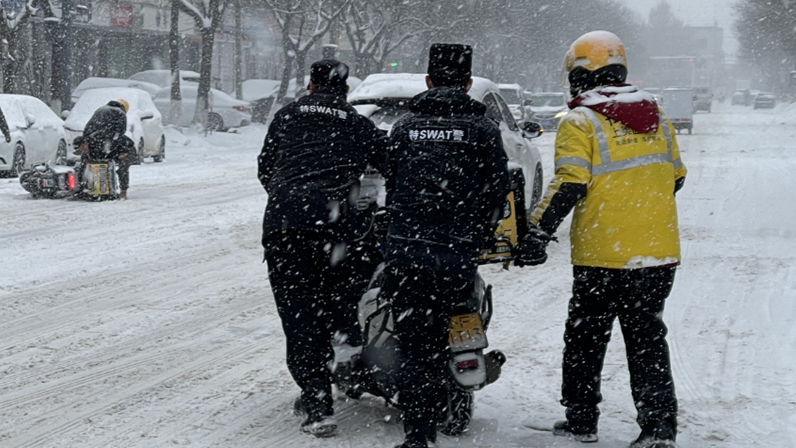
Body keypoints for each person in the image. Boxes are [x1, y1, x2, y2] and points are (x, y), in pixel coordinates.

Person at [516, 31, 687, 448]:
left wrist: (535, 232)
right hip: (657, 254)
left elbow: (568, 184)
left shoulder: (581, 121)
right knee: (647, 340)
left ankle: (582, 420)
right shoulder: (658, 116)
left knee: (585, 338)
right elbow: (677, 177)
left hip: (602, 255)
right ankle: (658, 429)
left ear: (580, 73)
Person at [382, 43, 510, 448]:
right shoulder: (484, 129)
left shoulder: (404, 127)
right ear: (469, 83)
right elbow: (499, 191)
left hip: (407, 253)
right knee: (460, 323)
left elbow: (392, 184)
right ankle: (458, 397)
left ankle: (418, 434)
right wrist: (482, 232)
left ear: (428, 80)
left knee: (415, 345)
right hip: (457, 255)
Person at [257, 59, 386, 438]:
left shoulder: (287, 116)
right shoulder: (358, 123)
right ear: (345, 90)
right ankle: (345, 363)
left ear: (311, 85)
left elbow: (266, 167)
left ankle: (316, 402)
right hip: (340, 230)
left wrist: (294, 201)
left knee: (299, 314)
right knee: (340, 305)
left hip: (287, 228)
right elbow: (389, 166)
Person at [75, 99, 135, 199]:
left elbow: (88, 129)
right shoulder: (120, 113)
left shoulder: (100, 110)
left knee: (86, 164)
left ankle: (84, 189)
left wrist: (122, 151)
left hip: (116, 145)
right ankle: (122, 192)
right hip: (111, 144)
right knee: (122, 168)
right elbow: (120, 133)